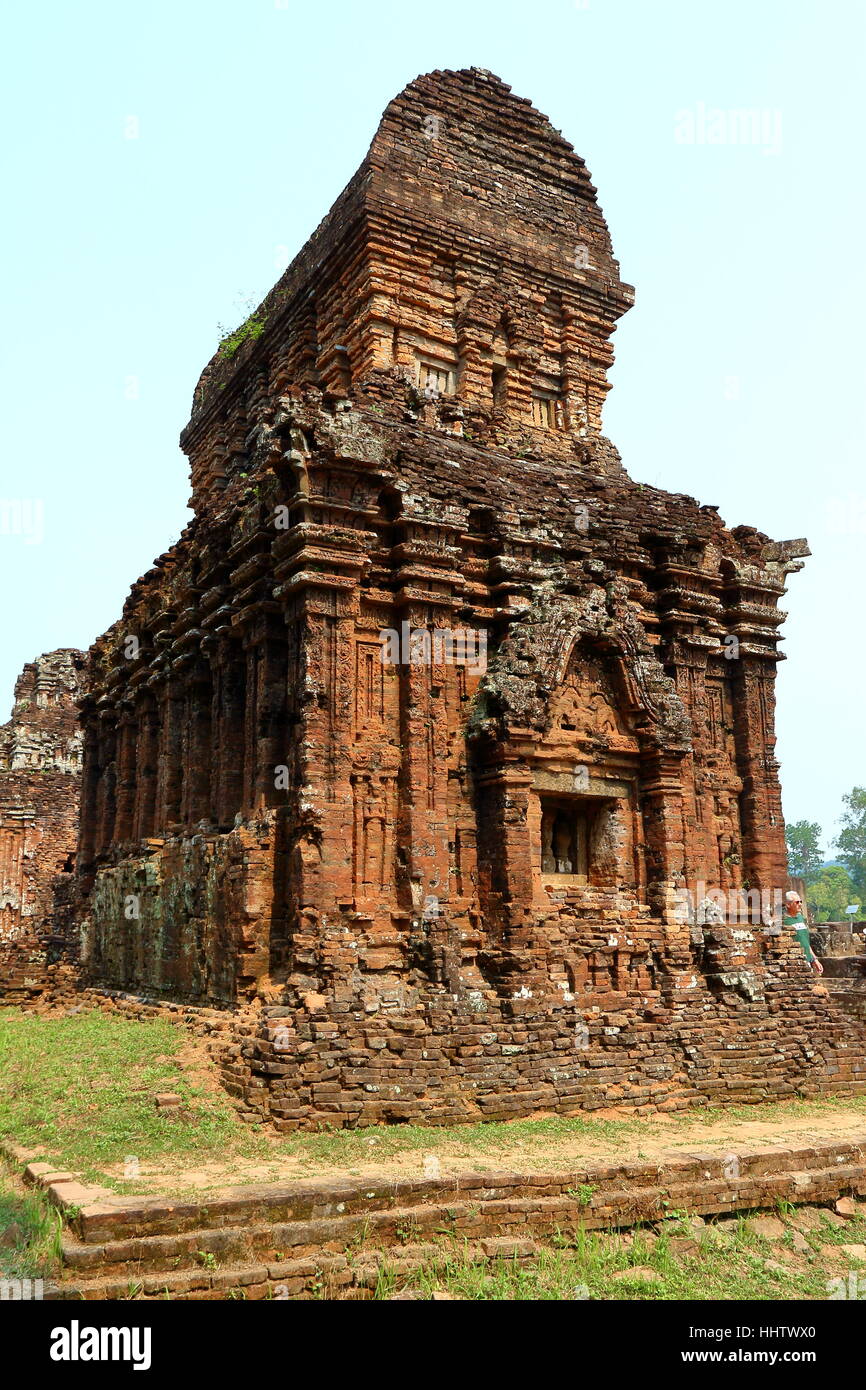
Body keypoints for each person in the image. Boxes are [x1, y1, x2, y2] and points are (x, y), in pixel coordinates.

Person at [783, 890, 823, 975]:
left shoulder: (801, 918)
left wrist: (814, 959)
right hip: (794, 961)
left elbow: (806, 942)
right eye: (797, 902)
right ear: (788, 904)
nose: (800, 904)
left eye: (801, 901)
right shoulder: (784, 921)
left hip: (807, 960)